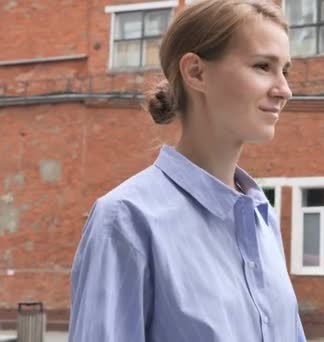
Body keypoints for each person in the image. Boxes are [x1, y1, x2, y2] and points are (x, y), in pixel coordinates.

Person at [68, 0, 305, 341]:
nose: (284, 89)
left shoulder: (261, 218)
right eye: (262, 66)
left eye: (286, 70)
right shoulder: (126, 219)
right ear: (196, 72)